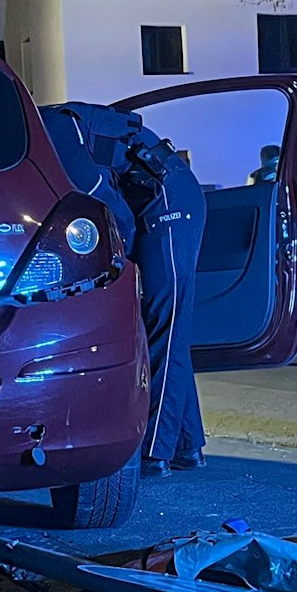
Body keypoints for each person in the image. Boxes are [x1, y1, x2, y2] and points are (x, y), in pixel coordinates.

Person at [38, 101, 208, 475]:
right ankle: (185, 445)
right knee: (164, 330)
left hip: (167, 198)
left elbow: (114, 214)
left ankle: (154, 452)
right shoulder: (43, 138)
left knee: (165, 322)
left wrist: (119, 272)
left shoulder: (51, 130)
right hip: (146, 199)